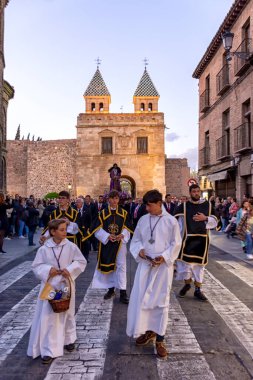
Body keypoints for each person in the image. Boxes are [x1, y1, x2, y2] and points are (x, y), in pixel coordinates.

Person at [126, 190, 181, 359]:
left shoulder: (171, 221)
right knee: (142, 299)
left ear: (159, 203)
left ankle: (160, 340)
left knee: (160, 302)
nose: (147, 208)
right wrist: (140, 251)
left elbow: (176, 243)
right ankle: (148, 331)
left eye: (149, 205)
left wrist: (163, 257)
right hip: (145, 266)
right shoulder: (143, 220)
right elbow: (135, 240)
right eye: (146, 205)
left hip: (162, 269)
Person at [27, 219, 87, 364]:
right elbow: (36, 266)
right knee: (49, 316)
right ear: (53, 232)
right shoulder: (44, 249)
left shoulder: (71, 246)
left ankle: (68, 339)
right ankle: (49, 349)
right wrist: (48, 270)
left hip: (67, 283)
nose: (65, 232)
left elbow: (81, 261)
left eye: (65, 229)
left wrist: (70, 269)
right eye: (61, 230)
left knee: (67, 312)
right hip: (50, 286)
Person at [174, 184, 217, 302]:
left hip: (202, 240)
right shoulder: (183, 206)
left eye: (198, 191)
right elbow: (176, 223)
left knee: (199, 266)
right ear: (190, 192)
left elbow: (216, 220)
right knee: (185, 266)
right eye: (194, 191)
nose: (196, 193)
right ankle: (187, 284)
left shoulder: (208, 205)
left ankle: (198, 289)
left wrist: (206, 218)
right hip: (187, 240)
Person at [89, 190, 133, 304]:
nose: (114, 201)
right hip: (107, 244)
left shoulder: (124, 213)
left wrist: (122, 235)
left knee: (121, 266)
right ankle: (111, 289)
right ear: (108, 199)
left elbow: (128, 227)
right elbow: (96, 229)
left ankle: (123, 292)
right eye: (112, 198)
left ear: (119, 199)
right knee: (110, 265)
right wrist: (108, 236)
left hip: (120, 244)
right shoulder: (102, 213)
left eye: (116, 198)